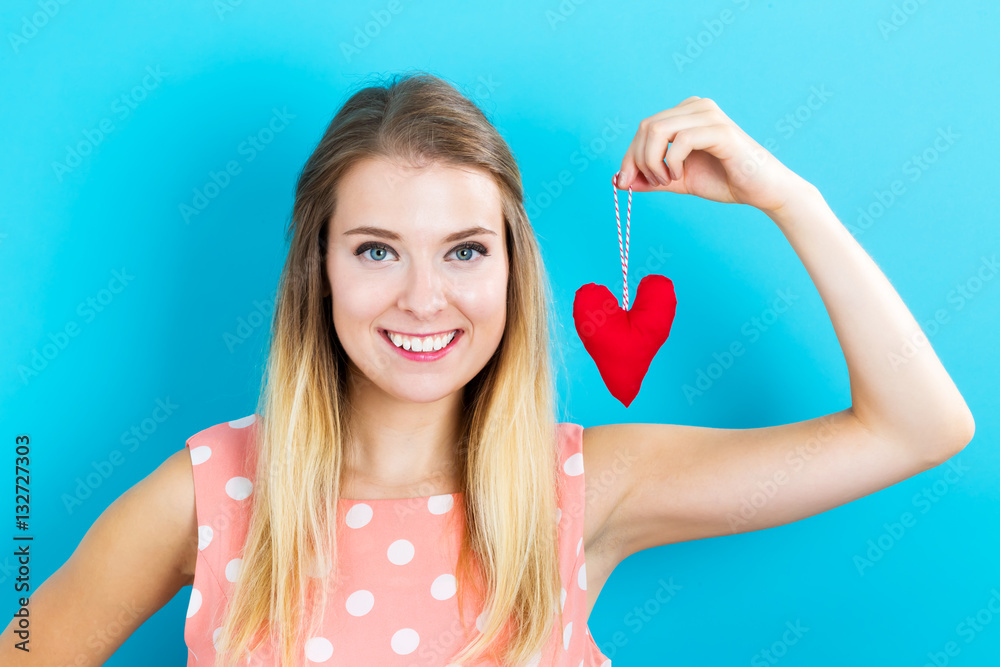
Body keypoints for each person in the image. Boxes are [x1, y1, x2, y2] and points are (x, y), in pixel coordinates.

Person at [1, 72, 974, 666]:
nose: (424, 297)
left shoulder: (585, 488)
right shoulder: (208, 494)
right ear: (319, 270)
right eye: (377, 250)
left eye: (465, 250)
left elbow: (919, 427)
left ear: (513, 271)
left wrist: (787, 197)